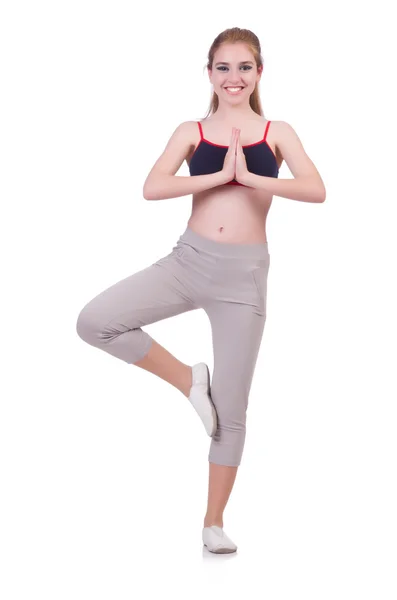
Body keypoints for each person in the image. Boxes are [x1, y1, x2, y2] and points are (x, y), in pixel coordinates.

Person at [76, 27, 326, 554]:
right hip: (188, 261)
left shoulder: (277, 131)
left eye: (244, 68)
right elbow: (153, 186)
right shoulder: (191, 130)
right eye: (223, 67)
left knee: (232, 409)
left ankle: (213, 523)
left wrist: (253, 178)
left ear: (259, 74)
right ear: (208, 73)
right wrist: (217, 177)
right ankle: (188, 379)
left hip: (244, 277)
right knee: (95, 321)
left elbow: (315, 188)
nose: (233, 78)